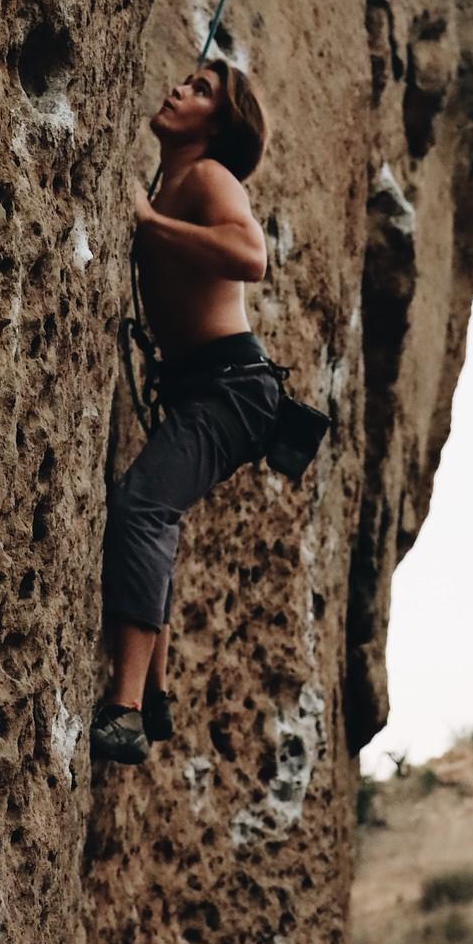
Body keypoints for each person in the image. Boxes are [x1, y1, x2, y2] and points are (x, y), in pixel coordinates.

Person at [90, 59, 280, 764]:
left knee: (142, 509)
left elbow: (249, 255)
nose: (178, 89)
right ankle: (158, 690)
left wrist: (147, 222)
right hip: (206, 384)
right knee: (150, 510)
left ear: (219, 126)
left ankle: (127, 711)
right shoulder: (167, 181)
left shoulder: (205, 179)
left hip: (232, 387)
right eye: (187, 80)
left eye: (201, 90)